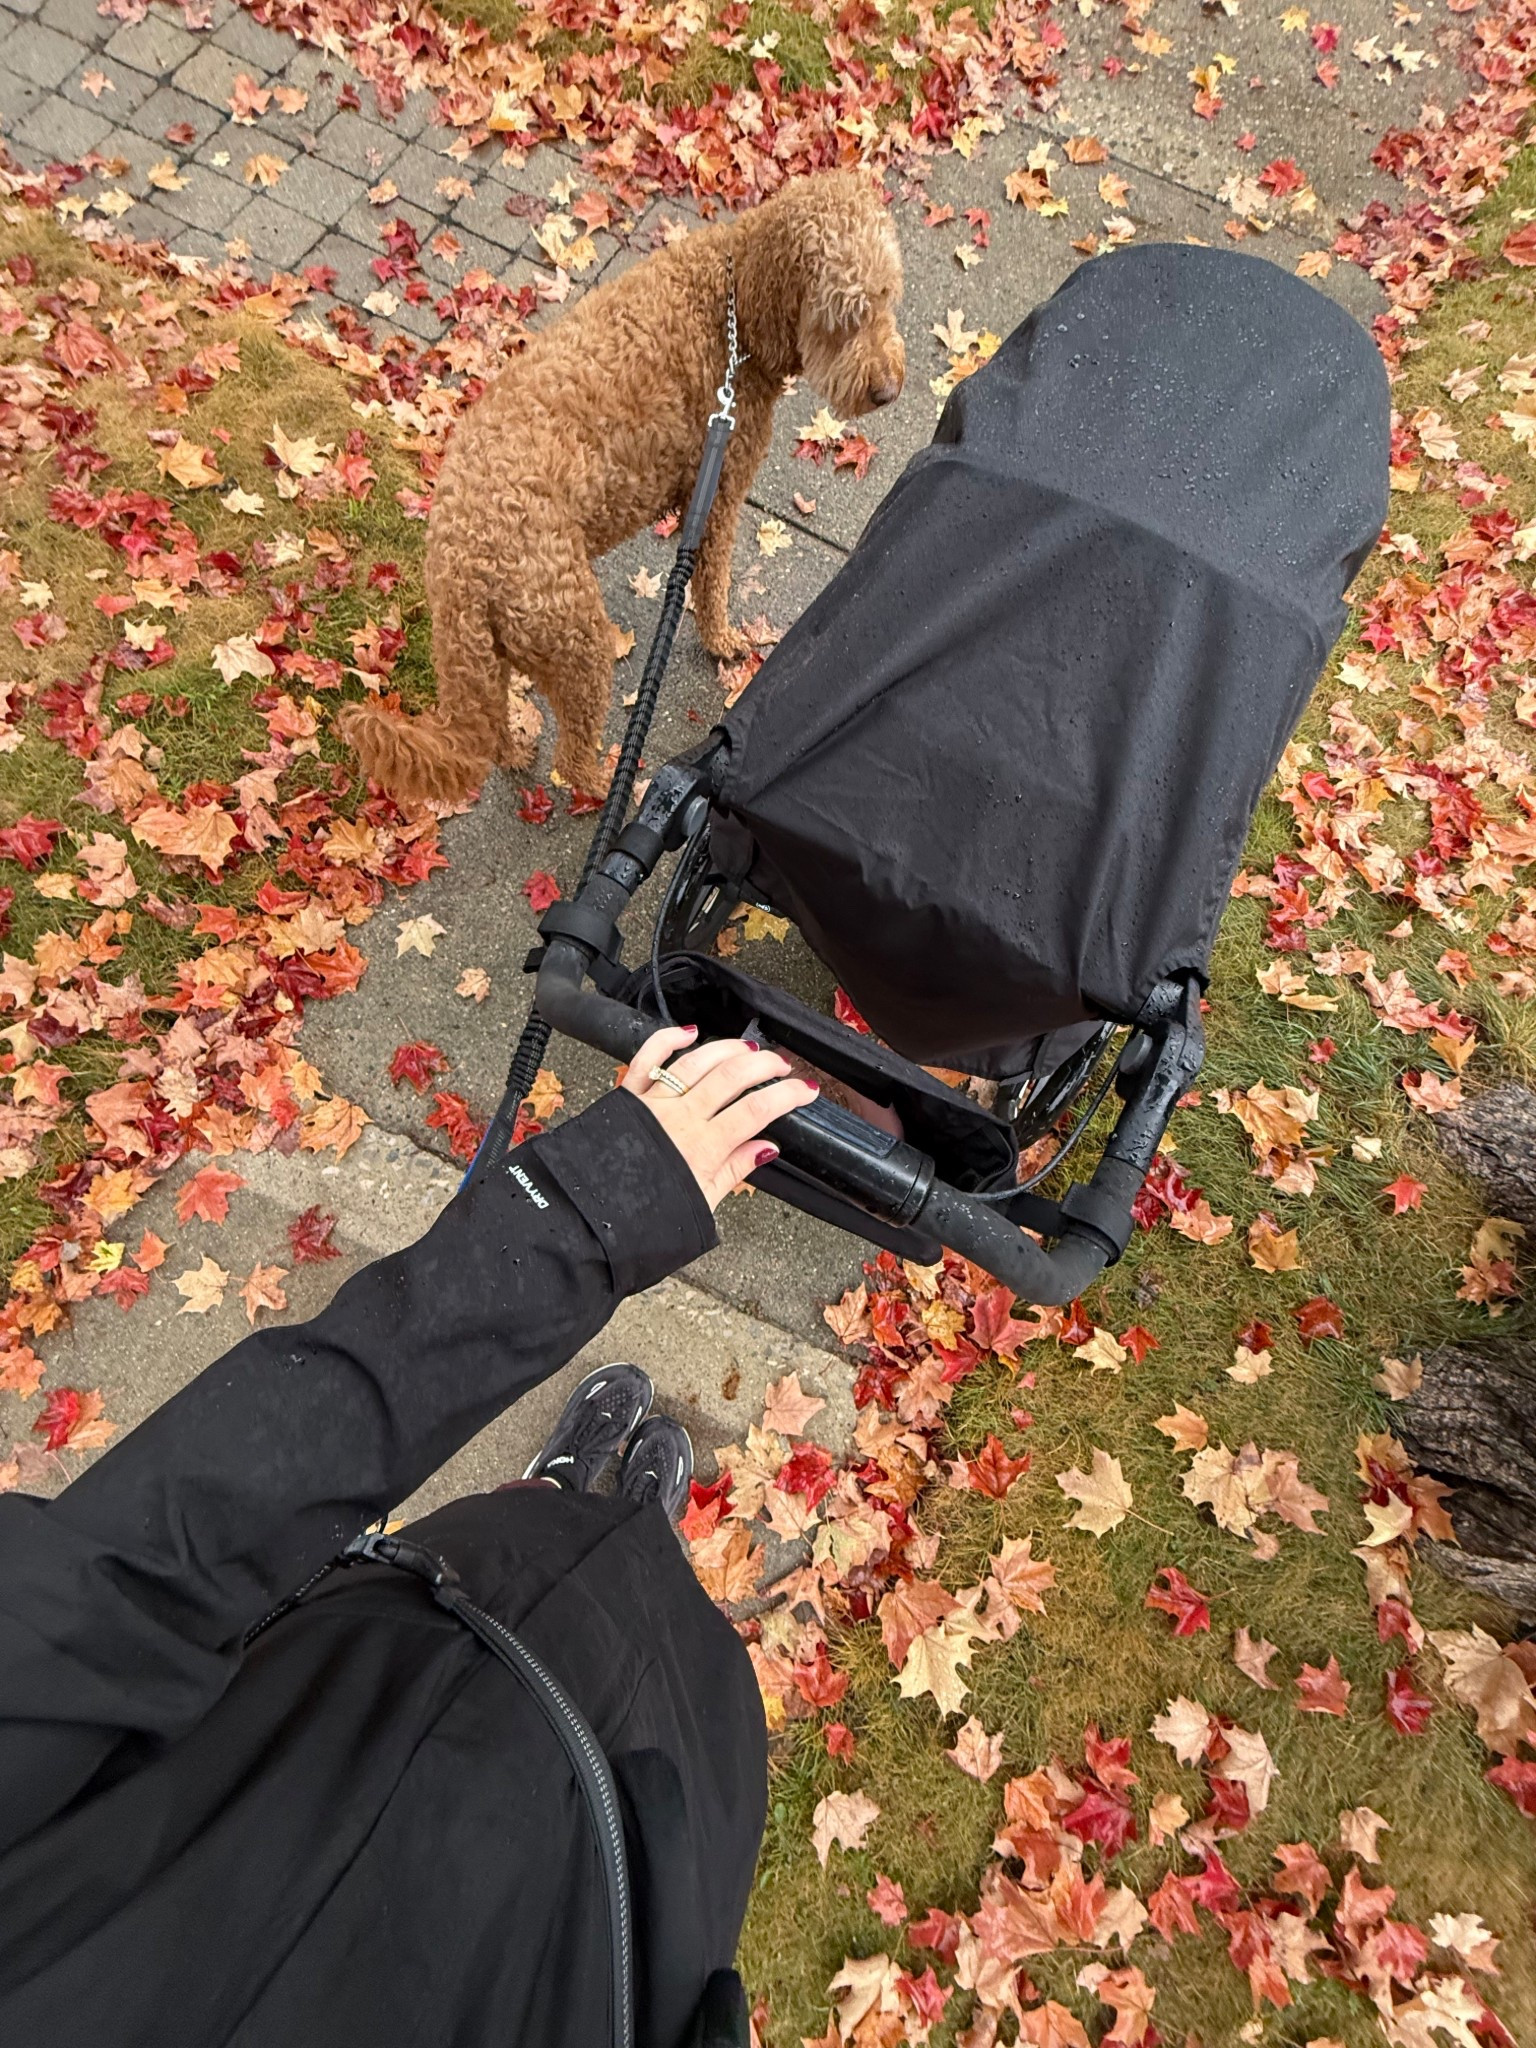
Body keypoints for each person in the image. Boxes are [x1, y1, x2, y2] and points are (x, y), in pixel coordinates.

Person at [0, 1027, 819, 2048]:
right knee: (658, 1627)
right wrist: (591, 1211)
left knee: (516, 1549)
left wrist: (593, 1213)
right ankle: (634, 1531)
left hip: (398, 1647)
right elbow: (150, 1555)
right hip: (610, 1877)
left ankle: (564, 1496)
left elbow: (138, 1571)